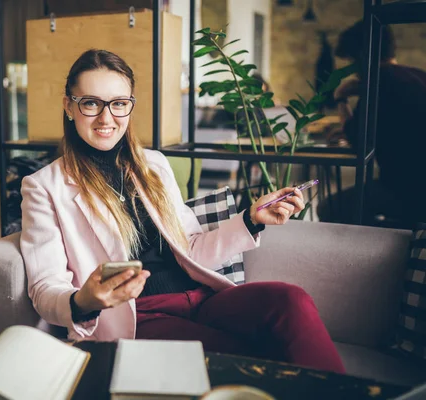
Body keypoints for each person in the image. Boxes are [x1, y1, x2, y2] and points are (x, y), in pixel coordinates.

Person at [20, 49, 345, 373]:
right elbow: (45, 287)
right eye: (91, 103)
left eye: (119, 103)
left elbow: (191, 249)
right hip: (137, 317)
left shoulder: (154, 165)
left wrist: (251, 219)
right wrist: (84, 302)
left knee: (290, 301)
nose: (107, 118)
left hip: (199, 297)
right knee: (242, 355)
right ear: (69, 106)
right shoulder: (44, 186)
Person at [318, 21, 426, 226]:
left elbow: (359, 141)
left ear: (360, 56)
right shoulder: (418, 75)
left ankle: (384, 245)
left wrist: (341, 98)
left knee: (328, 208)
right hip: (418, 185)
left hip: (407, 191)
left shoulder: (379, 81)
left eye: (350, 60)